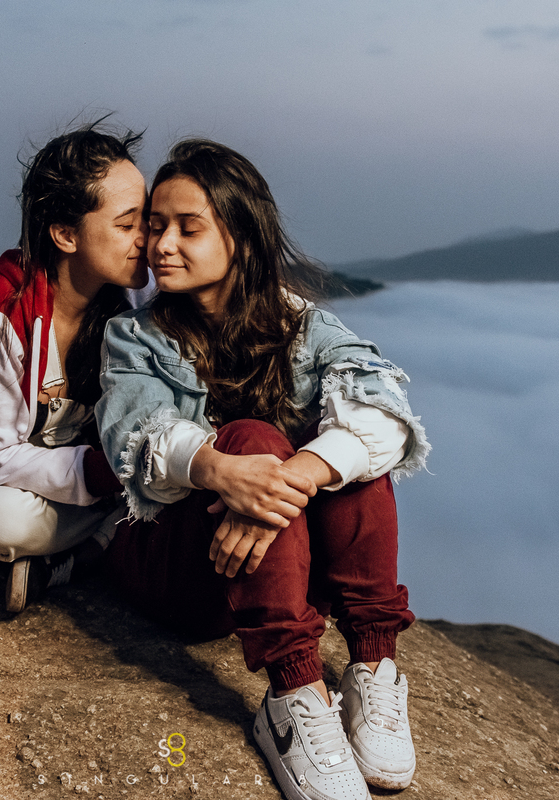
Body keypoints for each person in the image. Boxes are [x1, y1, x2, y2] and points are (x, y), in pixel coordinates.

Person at [96, 139, 430, 799]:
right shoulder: (134, 338)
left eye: (188, 228)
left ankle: (371, 664)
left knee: (348, 456)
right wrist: (226, 472)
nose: (161, 245)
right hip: (174, 564)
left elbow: (386, 414)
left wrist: (292, 476)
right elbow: (139, 439)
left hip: (268, 555)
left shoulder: (305, 326)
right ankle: (294, 693)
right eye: (155, 225)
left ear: (242, 240)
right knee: (252, 439)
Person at [0, 121, 149, 614]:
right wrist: (103, 474)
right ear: (65, 234)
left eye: (148, 219)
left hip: (102, 482)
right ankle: (103, 543)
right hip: (26, 486)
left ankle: (65, 559)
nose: (148, 238)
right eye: (127, 226)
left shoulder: (137, 298)